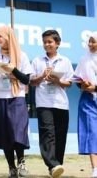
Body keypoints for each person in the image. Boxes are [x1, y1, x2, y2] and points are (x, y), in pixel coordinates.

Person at [0, 25, 32, 178]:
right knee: (5, 134)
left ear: (9, 37)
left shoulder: (21, 55)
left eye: (0, 36)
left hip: (17, 97)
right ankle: (11, 167)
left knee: (18, 132)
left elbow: (27, 79)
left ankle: (21, 162)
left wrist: (13, 69)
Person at [31, 29, 73, 178]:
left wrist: (57, 81)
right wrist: (42, 76)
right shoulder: (37, 61)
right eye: (45, 42)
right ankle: (52, 164)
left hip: (61, 103)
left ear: (57, 43)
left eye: (50, 42)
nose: (47, 44)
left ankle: (56, 166)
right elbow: (32, 82)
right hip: (44, 103)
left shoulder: (65, 61)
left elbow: (69, 83)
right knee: (47, 134)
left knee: (60, 136)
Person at [74, 32, 97, 178]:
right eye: (89, 42)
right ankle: (95, 168)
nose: (90, 44)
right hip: (88, 100)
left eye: (93, 42)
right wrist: (83, 84)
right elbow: (77, 80)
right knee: (92, 132)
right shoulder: (84, 59)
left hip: (93, 92)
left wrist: (95, 88)